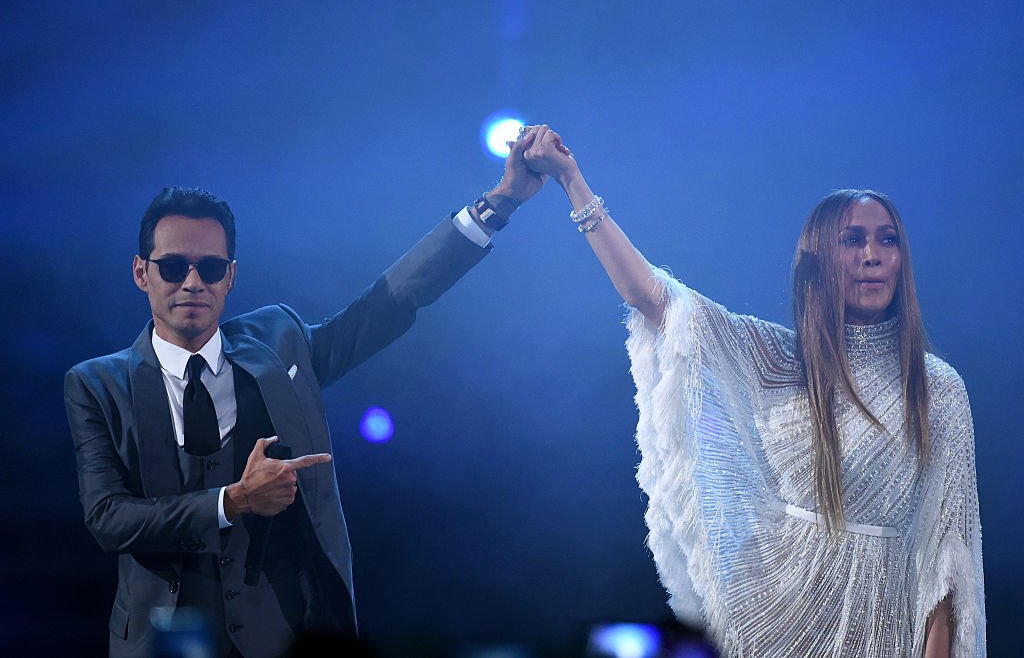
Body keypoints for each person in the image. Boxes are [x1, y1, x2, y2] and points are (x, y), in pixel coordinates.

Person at [63, 133, 547, 658]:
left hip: (285, 635)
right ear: (142, 273)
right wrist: (235, 501)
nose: (193, 282)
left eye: (211, 267)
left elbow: (385, 305)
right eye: (174, 267)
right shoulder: (97, 384)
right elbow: (109, 519)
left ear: (231, 277)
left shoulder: (279, 341)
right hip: (166, 642)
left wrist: (498, 204)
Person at [521, 125, 985, 657]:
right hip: (773, 616)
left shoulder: (937, 387)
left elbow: (951, 560)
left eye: (888, 240)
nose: (873, 255)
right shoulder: (778, 360)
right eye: (853, 239)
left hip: (886, 628)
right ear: (819, 261)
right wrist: (572, 180)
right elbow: (654, 298)